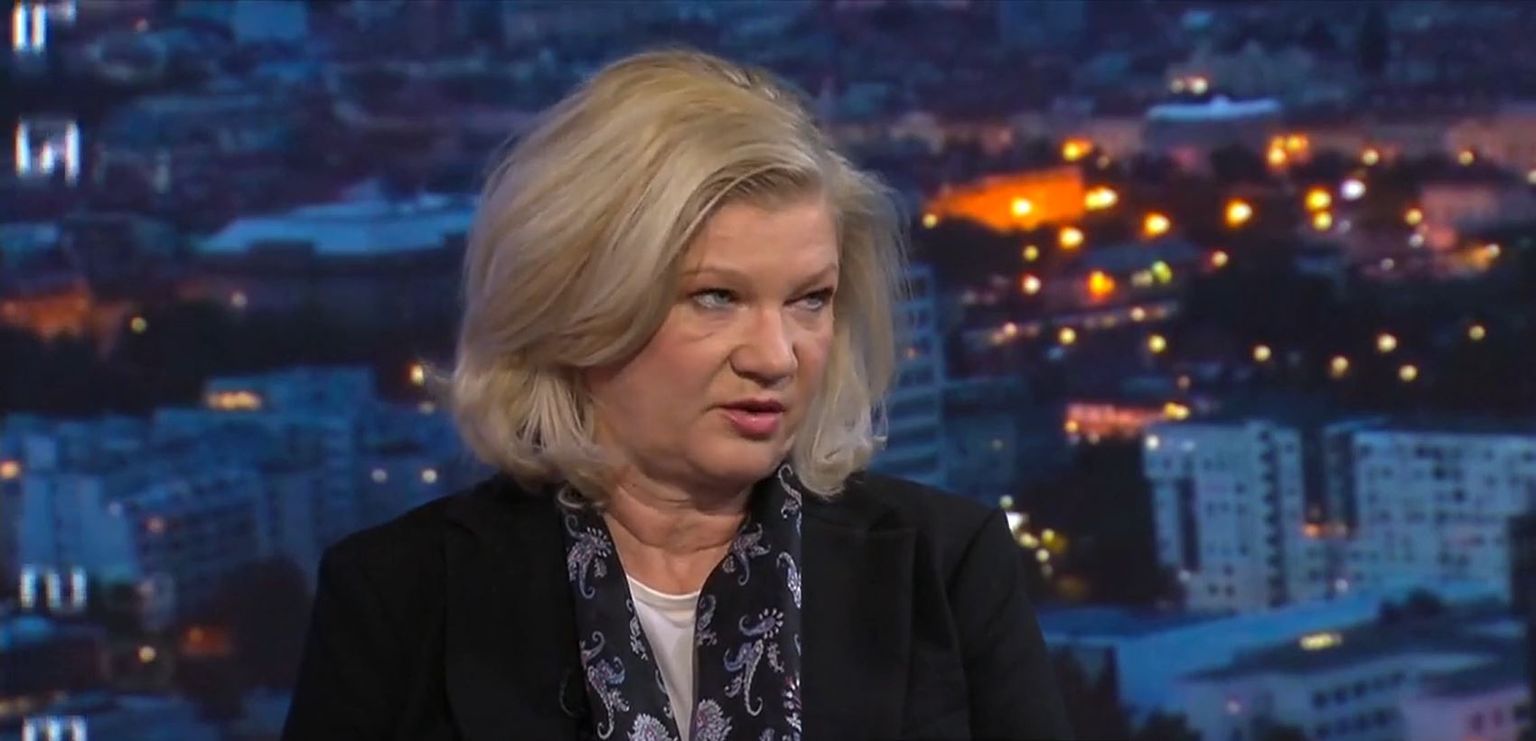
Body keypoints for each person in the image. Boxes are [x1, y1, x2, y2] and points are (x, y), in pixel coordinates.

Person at [284, 49, 1071, 741]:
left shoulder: (945, 568)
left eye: (810, 300)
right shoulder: (400, 597)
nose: (775, 357)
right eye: (715, 297)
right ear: (578, 308)